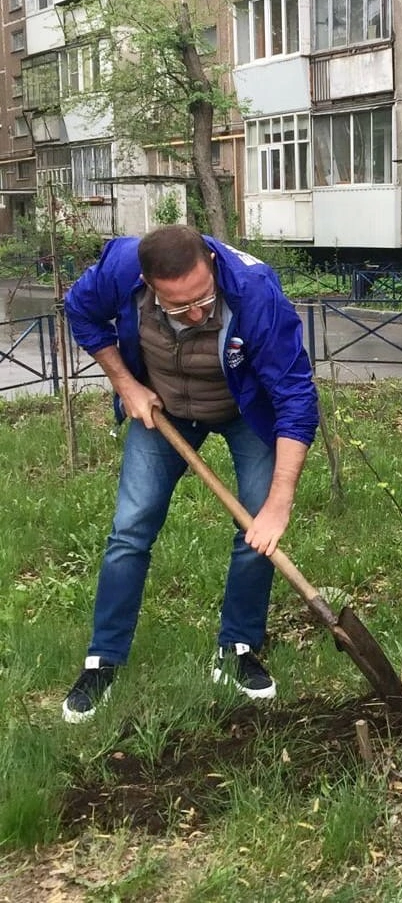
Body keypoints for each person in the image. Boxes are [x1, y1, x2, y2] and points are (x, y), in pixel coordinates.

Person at [62, 225, 318, 723]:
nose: (197, 314)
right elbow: (82, 312)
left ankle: (237, 649)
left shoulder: (255, 290)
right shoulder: (120, 269)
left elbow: (295, 398)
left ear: (211, 266)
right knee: (130, 530)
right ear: (147, 284)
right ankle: (104, 659)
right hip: (165, 412)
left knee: (256, 531)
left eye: (203, 299)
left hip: (246, 412)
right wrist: (126, 384)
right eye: (179, 307)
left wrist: (278, 502)